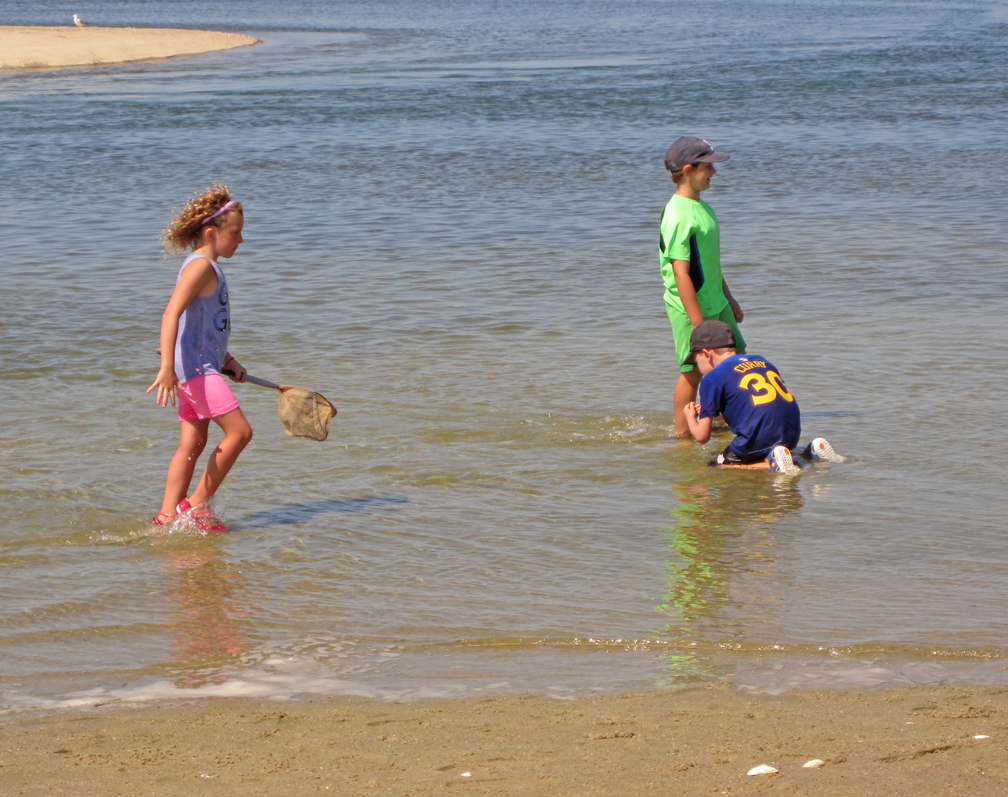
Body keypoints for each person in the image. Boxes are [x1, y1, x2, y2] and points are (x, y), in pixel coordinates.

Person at [147, 185, 253, 531]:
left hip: (201, 366)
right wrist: (166, 368)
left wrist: (229, 360)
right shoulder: (201, 267)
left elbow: (201, 329)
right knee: (240, 433)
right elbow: (170, 314)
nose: (240, 240)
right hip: (195, 370)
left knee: (193, 442)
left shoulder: (206, 267)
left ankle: (165, 517)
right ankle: (196, 507)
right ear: (211, 233)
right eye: (235, 233)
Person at [659, 136, 746, 437]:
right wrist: (698, 324)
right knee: (693, 373)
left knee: (735, 361)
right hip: (689, 309)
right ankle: (683, 438)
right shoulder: (678, 214)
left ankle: (723, 420)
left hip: (716, 302)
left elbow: (709, 264)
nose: (714, 173)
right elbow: (681, 273)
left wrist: (729, 298)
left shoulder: (703, 208)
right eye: (708, 167)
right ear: (687, 169)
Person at [682, 320, 843, 475]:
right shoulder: (761, 361)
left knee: (717, 464)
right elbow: (747, 403)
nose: (698, 368)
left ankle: (773, 465)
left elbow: (702, 437)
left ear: (706, 354)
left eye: (696, 362)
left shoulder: (711, 378)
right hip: (791, 434)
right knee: (770, 446)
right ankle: (811, 453)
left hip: (758, 437)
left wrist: (690, 417)